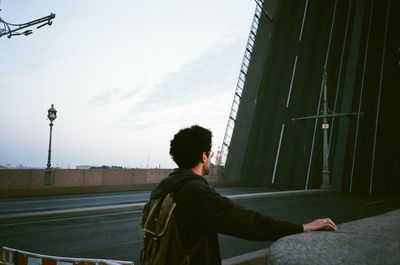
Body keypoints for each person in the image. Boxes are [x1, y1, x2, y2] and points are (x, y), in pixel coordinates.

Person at [149, 125, 337, 265]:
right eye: (210, 154)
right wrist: (302, 227)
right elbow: (247, 222)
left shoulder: (167, 187)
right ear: (204, 156)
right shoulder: (195, 192)